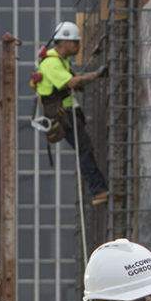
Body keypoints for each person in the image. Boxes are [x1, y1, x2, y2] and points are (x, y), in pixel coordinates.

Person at [33, 20, 110, 206]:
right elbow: (70, 83)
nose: (78, 46)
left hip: (68, 112)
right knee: (84, 149)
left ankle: (100, 190)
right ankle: (98, 191)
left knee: (85, 148)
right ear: (63, 42)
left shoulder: (61, 61)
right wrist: (96, 75)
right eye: (75, 42)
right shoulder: (51, 63)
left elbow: (71, 79)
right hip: (63, 115)